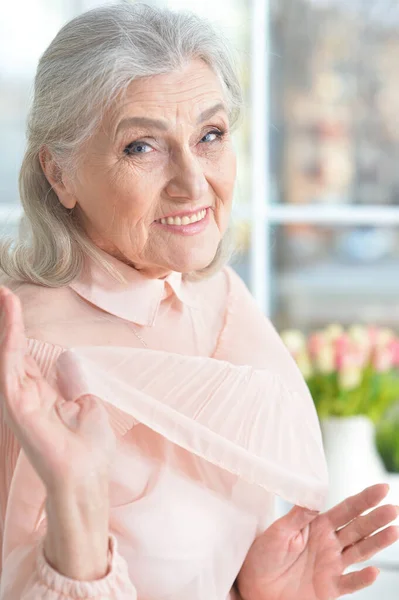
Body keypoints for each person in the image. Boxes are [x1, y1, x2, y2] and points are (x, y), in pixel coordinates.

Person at [0, 4, 397, 599]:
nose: (193, 183)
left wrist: (248, 590)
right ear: (59, 175)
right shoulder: (26, 356)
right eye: (140, 147)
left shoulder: (219, 300)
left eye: (210, 136)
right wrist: (77, 510)